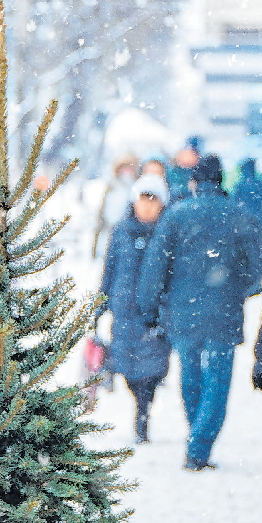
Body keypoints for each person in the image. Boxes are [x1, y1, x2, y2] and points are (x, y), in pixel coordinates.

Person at [138, 154, 262, 471]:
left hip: (183, 313)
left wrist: (150, 306)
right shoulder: (239, 215)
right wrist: (237, 291)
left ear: (194, 181)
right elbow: (255, 268)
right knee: (217, 382)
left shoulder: (176, 215)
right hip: (224, 313)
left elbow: (155, 266)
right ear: (221, 181)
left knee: (191, 377)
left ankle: (196, 438)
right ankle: (200, 443)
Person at [95, 173, 171, 444]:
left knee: (151, 373)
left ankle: (143, 416)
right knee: (128, 370)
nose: (147, 206)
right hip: (124, 312)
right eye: (143, 199)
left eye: (153, 200)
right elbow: (109, 270)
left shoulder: (167, 232)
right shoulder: (121, 231)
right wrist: (99, 305)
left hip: (154, 314)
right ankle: (140, 407)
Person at [92, 153, 139, 259]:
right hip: (107, 230)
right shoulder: (112, 185)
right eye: (124, 168)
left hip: (126, 233)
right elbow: (102, 212)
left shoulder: (136, 188)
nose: (126, 172)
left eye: (130, 168)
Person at [231, 158, 262, 237]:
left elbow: (235, 203)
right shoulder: (260, 184)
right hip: (258, 218)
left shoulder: (239, 186)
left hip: (244, 221)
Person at [166, 136, 202, 203]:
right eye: (185, 152)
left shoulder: (200, 173)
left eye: (191, 152)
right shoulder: (173, 172)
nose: (187, 156)